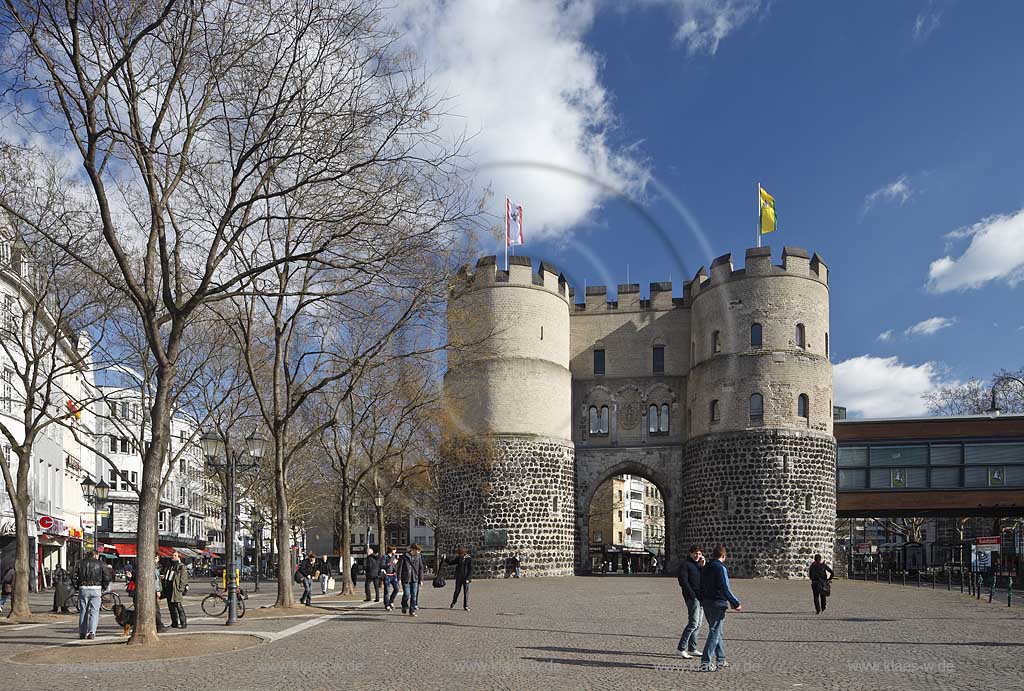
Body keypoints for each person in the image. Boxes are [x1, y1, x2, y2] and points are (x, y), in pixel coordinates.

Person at [698, 545, 742, 672]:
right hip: (717, 603)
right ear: (723, 556)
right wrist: (735, 602)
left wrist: (702, 600)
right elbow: (725, 587)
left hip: (707, 603)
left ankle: (721, 659)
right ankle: (705, 662)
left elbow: (701, 585)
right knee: (714, 632)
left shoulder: (705, 568)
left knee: (717, 631)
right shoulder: (720, 568)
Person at [71, 550, 110, 640]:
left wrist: (77, 586)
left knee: (83, 611)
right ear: (95, 555)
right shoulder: (101, 564)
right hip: (96, 588)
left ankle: (82, 632)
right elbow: (107, 577)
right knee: (94, 611)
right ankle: (92, 632)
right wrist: (103, 587)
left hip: (83, 588)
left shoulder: (79, 563)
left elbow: (73, 576)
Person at [677, 544, 706, 659]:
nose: (697, 555)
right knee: (693, 623)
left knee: (698, 624)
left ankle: (692, 648)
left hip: (701, 598)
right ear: (690, 553)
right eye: (695, 553)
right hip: (692, 598)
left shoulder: (698, 566)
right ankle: (681, 648)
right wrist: (692, 595)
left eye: (699, 553)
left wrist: (703, 566)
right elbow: (683, 582)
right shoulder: (685, 565)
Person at [163, 551, 189, 628]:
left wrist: (180, 588)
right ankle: (174, 623)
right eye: (172, 555)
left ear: (179, 557)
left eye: (175, 555)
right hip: (168, 588)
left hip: (176, 589)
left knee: (178, 606)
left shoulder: (181, 567)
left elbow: (184, 579)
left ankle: (183, 623)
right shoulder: (170, 566)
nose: (173, 556)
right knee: (171, 607)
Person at [399, 543, 424, 616]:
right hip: (406, 578)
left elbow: (420, 568)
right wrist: (399, 579)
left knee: (414, 595)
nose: (418, 552)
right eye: (417, 550)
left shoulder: (418, 557)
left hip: (415, 578)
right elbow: (400, 568)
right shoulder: (404, 556)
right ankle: (404, 604)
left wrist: (421, 579)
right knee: (406, 594)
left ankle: (412, 611)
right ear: (412, 549)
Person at [380, 546, 400, 611]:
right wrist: (391, 563)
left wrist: (396, 565)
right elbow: (382, 565)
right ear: (391, 550)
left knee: (396, 589)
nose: (395, 551)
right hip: (387, 575)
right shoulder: (385, 557)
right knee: (387, 591)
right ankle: (387, 605)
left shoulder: (394, 556)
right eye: (394, 550)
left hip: (393, 575)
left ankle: (391, 601)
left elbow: (395, 565)